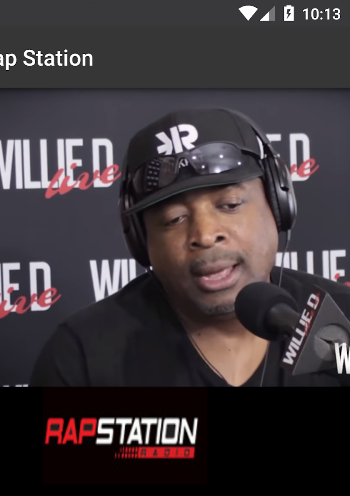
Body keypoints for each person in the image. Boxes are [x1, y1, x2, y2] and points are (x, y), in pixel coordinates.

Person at [30, 107, 350, 386]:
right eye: (174, 219)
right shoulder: (81, 358)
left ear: (278, 205)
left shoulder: (342, 322)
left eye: (230, 204)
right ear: (140, 240)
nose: (205, 235)